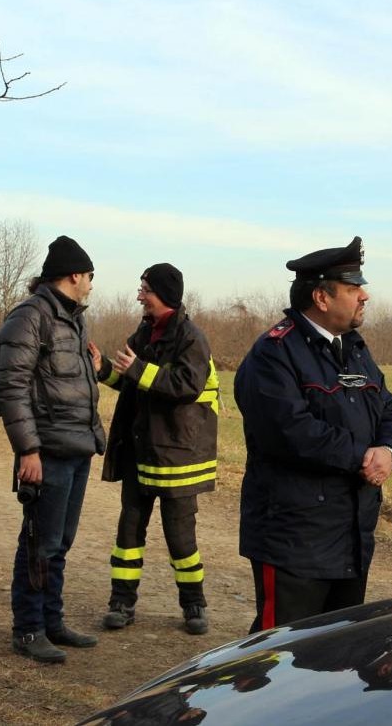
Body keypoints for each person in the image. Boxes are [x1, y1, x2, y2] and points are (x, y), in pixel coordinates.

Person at [235, 236, 392, 632]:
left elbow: (390, 406)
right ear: (322, 297)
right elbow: (291, 432)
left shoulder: (355, 348)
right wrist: (364, 456)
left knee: (338, 653)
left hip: (351, 536)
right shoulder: (274, 354)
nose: (364, 296)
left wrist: (389, 450)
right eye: (353, 288)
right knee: (280, 655)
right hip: (294, 539)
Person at [0, 235, 107, 664]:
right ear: (75, 275)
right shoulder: (31, 316)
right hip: (46, 452)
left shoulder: (74, 319)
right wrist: (27, 450)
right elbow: (12, 385)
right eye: (91, 277)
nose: (93, 286)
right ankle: (28, 630)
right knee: (38, 544)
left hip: (76, 447)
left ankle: (52, 621)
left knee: (60, 542)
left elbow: (70, 381)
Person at [97, 263, 219, 635]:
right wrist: (102, 367)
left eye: (145, 289)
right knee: (128, 532)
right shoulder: (145, 332)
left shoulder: (191, 338)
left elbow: (186, 385)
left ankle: (193, 604)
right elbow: (130, 380)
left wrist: (138, 369)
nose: (139, 296)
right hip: (140, 452)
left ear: (164, 294)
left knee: (181, 538)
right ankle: (121, 602)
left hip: (177, 458)